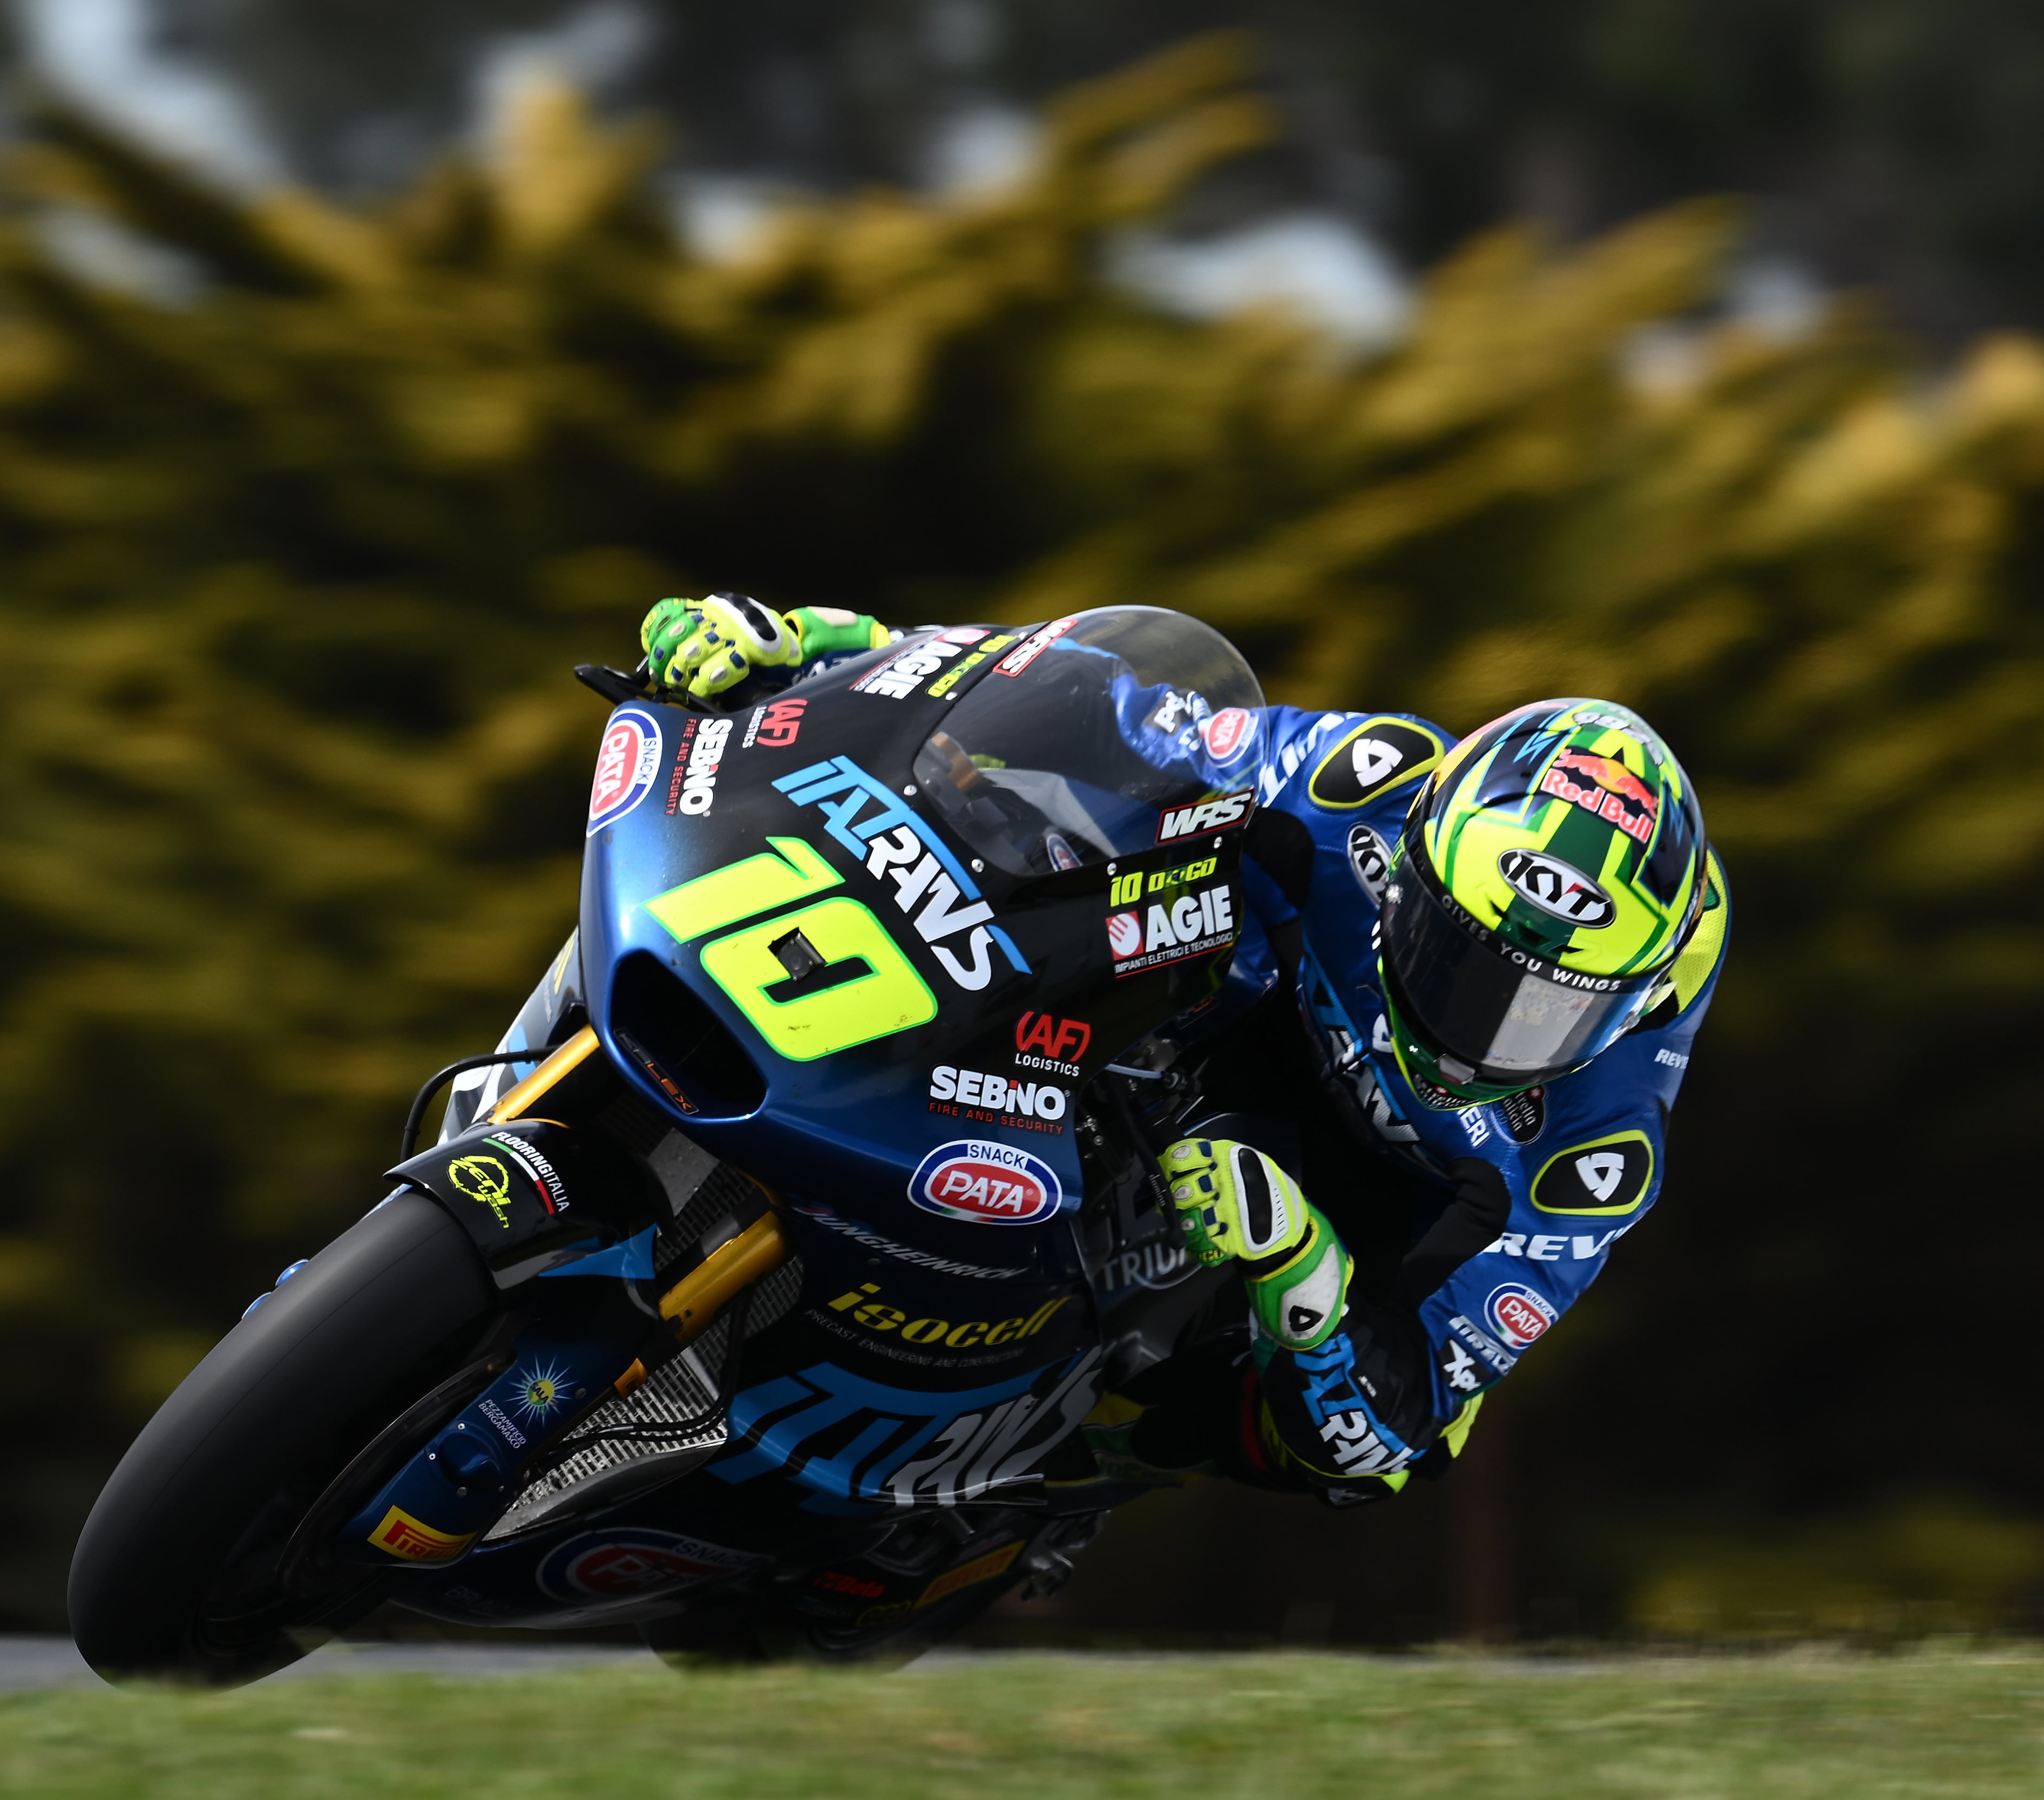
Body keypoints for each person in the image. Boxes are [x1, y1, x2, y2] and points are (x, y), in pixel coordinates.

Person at [636, 592, 1729, 1505]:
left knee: (1350, 1459)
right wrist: (819, 643)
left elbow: (1403, 1412)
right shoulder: (1364, 786)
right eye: (1462, 959)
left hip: (1362, 1200)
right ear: (1409, 871)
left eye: (1547, 1009)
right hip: (1224, 1005)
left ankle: (1055, 1465)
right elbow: (1100, 706)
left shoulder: (1595, 1152)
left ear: (1627, 1005)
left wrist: (1301, 1268)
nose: (1480, 1033)